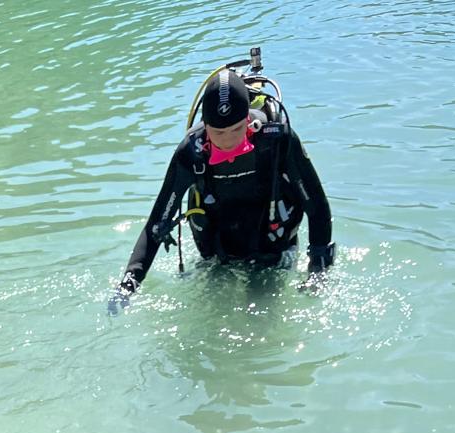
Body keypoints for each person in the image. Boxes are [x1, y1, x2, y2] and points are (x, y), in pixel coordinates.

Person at [109, 67, 334, 310]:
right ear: (205, 125)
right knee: (209, 316)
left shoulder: (277, 141)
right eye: (218, 132)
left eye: (236, 129)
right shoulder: (191, 152)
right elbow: (157, 221)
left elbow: (317, 206)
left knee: (260, 317)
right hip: (217, 247)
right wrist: (128, 285)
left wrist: (317, 269)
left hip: (270, 244)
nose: (228, 141)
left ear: (247, 119)